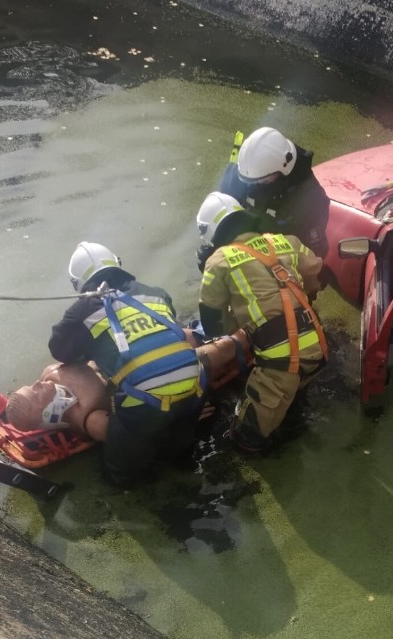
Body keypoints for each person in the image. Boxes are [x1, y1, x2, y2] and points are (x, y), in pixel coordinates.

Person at [47, 241, 249, 485]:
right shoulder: (154, 292)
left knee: (120, 470)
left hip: (145, 405)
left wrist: (80, 320)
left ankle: (134, 484)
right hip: (195, 390)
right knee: (179, 446)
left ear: (78, 284)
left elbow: (59, 350)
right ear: (117, 265)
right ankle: (182, 453)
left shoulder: (85, 312)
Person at [196, 192, 329, 453]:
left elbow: (213, 323)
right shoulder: (286, 241)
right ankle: (292, 403)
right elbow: (316, 273)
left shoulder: (218, 261)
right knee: (293, 393)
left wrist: (241, 330)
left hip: (280, 366)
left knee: (244, 438)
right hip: (318, 346)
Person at [218, 126, 330, 259]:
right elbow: (221, 208)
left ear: (284, 169)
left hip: (280, 264)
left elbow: (312, 256)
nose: (255, 186)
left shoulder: (310, 200)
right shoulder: (246, 172)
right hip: (239, 250)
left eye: (263, 181)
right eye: (250, 182)